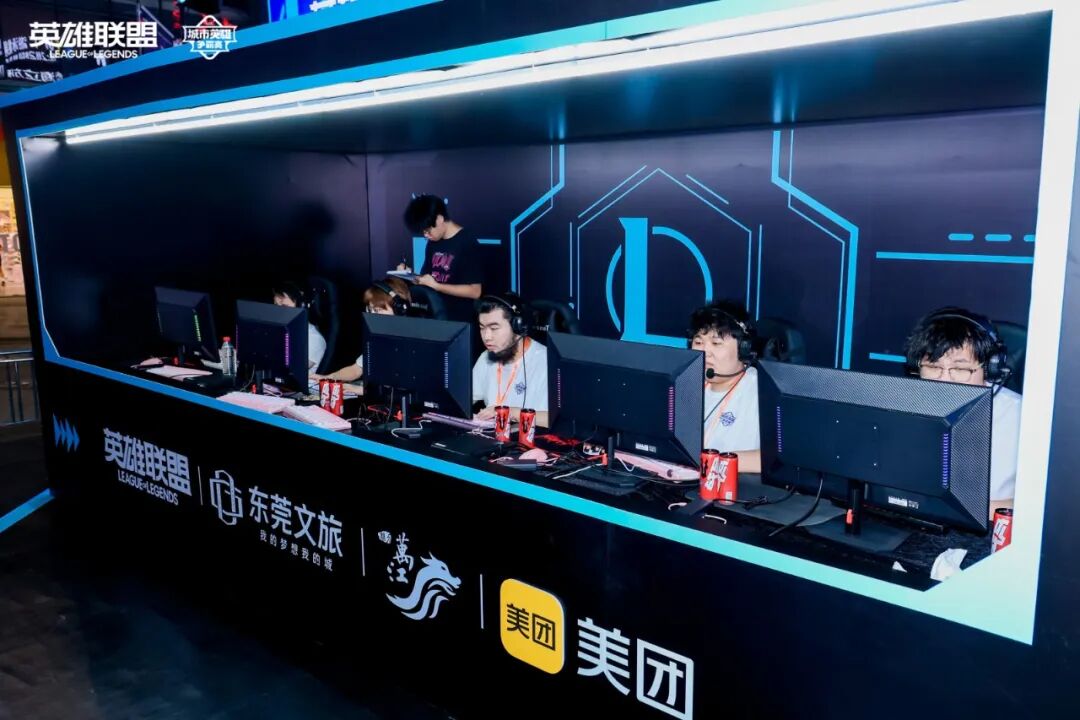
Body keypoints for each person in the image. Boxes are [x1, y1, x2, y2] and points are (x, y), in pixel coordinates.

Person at [904, 307, 1022, 519]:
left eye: (960, 369)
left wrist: (957, 509)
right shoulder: (904, 406)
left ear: (990, 369)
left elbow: (1044, 503)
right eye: (933, 367)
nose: (944, 380)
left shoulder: (1022, 418)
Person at [690, 302, 761, 473]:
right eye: (698, 342)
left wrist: (712, 463)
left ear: (744, 349)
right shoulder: (686, 385)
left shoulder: (761, 391)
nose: (705, 352)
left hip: (738, 486)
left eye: (716, 343)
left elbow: (780, 461)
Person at [312, 277, 412, 391]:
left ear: (400, 310)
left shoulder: (410, 344)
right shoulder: (379, 339)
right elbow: (356, 370)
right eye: (370, 310)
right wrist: (329, 378)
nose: (372, 316)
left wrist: (351, 388)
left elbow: (395, 389)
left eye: (378, 310)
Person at [398, 194, 483, 321]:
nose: (426, 235)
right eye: (423, 232)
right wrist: (410, 275)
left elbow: (475, 291)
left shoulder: (467, 241)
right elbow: (428, 279)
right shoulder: (433, 242)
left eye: (427, 230)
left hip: (458, 319)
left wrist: (437, 286)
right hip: (434, 314)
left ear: (439, 219)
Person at [472, 292, 549, 427]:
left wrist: (509, 412)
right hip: (491, 434)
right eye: (482, 328)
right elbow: (464, 398)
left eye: (494, 328)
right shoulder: (486, 357)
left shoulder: (544, 362)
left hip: (529, 437)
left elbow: (552, 419)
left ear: (518, 327)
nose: (487, 337)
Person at [272, 282, 326, 372]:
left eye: (284, 306)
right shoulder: (276, 332)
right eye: (276, 306)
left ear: (301, 306)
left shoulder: (314, 338)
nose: (278, 311)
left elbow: (292, 369)